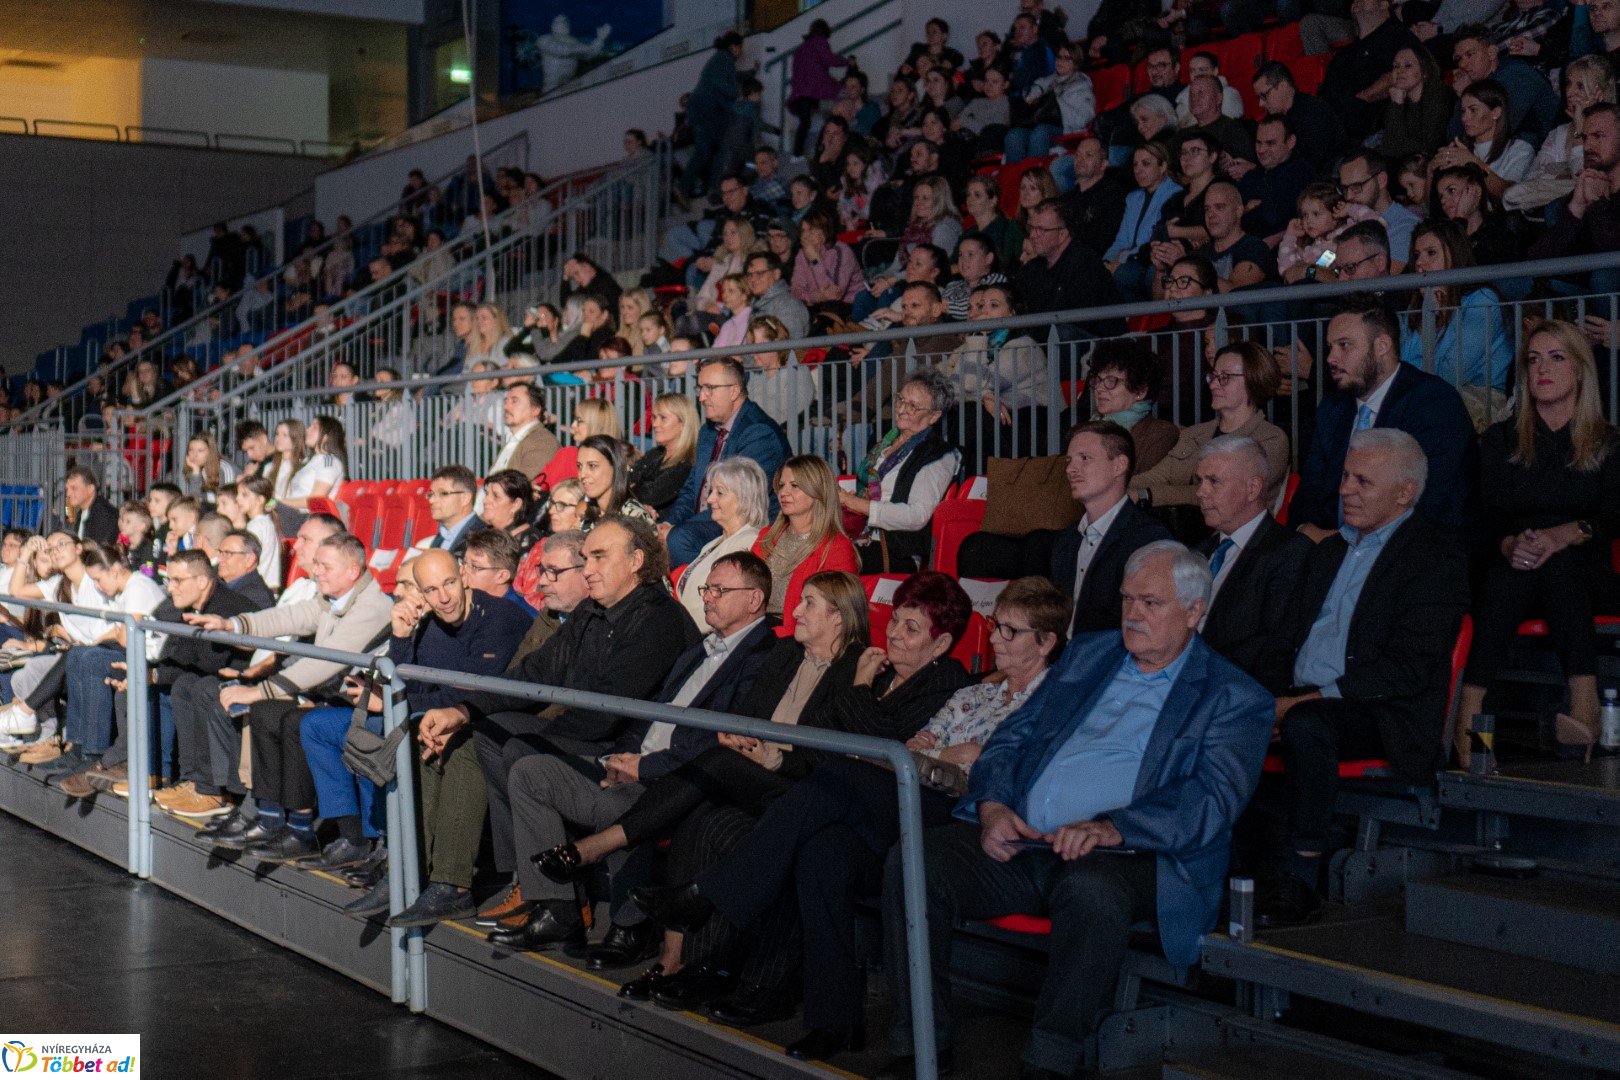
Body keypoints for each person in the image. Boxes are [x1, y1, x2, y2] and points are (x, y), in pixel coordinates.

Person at [868, 543, 1273, 1080]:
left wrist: (1112, 828)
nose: (1132, 614)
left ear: (1195, 611)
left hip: (1128, 853)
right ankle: (920, 1040)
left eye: (1151, 603)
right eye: (1128, 599)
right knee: (916, 861)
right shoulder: (1091, 654)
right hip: (1027, 837)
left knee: (1092, 892)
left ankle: (1051, 1059)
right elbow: (1012, 737)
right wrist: (992, 806)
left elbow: (1211, 801)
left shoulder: (1234, 695)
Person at [628, 572, 975, 1013]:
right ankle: (803, 1007)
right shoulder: (882, 671)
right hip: (839, 809)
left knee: (808, 810)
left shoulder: (946, 683)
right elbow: (850, 736)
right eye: (895, 622)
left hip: (891, 819)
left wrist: (859, 687)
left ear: (941, 645)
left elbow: (881, 744)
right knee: (742, 829)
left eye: (912, 629)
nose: (895, 635)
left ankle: (715, 910)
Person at [417, 517, 701, 936]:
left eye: (599, 557)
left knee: (520, 749)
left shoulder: (658, 620)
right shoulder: (593, 609)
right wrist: (464, 710)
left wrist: (533, 735)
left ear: (637, 561)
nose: (588, 569)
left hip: (629, 751)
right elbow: (536, 671)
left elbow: (606, 713)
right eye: (586, 558)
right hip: (591, 733)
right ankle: (526, 881)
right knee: (489, 733)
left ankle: (555, 896)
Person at [497, 552, 780, 954]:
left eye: (719, 590)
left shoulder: (763, 657)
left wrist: (645, 766)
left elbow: (724, 740)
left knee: (622, 805)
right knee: (530, 771)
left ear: (754, 600)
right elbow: (647, 713)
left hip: (677, 781)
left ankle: (630, 926)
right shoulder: (701, 648)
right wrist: (620, 758)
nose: (708, 598)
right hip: (634, 762)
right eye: (706, 589)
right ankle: (556, 908)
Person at [1261, 430, 1470, 926]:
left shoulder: (1435, 558)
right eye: (1346, 476)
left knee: (1308, 726)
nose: (1345, 489)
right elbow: (1282, 637)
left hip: (1379, 707)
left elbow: (1409, 668)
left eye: (1363, 481)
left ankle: (1300, 877)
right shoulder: (1330, 551)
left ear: (1404, 493)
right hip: (1302, 696)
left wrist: (1303, 702)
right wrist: (1268, 697)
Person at [301, 548, 533, 921]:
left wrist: (421, 709)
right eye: (432, 590)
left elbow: (474, 691)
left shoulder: (500, 618)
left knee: (457, 746)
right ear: (420, 594)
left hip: (499, 720)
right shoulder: (428, 620)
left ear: (464, 576)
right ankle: (405, 872)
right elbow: (409, 683)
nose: (444, 597)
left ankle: (450, 885)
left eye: (450, 584)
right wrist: (401, 637)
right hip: (450, 717)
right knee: (416, 739)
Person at [1456, 322, 1620, 764]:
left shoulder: (1607, 442)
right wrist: (1511, 543)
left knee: (1558, 564)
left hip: (1584, 570)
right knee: (1517, 569)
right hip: (1513, 564)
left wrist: (1564, 534)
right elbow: (1483, 516)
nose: (1542, 368)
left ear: (1581, 371)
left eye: (1556, 357)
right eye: (1533, 359)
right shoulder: (1501, 438)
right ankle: (1579, 711)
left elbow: (1614, 515)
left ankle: (1474, 712)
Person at [162, 532, 393, 825]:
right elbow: (286, 617)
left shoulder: (371, 607)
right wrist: (231, 624)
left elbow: (325, 662)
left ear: (352, 571)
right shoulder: (334, 599)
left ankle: (304, 827)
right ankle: (266, 816)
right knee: (265, 713)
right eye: (317, 564)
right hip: (333, 695)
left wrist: (261, 690)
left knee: (288, 718)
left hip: (356, 702)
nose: (316, 570)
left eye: (325, 566)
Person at [1293, 299, 1476, 539]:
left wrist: (1342, 543)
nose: (1331, 358)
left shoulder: (1433, 403)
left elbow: (1432, 502)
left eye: (1344, 345)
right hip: (1328, 551)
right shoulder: (1333, 407)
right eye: (1331, 347)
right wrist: (1305, 529)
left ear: (1382, 346)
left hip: (1409, 554)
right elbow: (1309, 492)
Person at [1190, 436, 1312, 692]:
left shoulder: (1288, 551)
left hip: (1232, 689)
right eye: (1200, 481)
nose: (1201, 492)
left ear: (1253, 489)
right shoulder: (1198, 552)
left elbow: (1274, 644)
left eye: (1214, 481)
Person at [660, 358, 792, 566]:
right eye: (700, 388)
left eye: (710, 388)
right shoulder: (708, 431)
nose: (702, 397)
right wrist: (669, 522)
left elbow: (737, 503)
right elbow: (691, 490)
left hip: (743, 525)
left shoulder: (758, 432)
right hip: (706, 521)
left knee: (679, 539)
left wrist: (676, 530)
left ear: (734, 391)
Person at [1132, 341, 1288, 508]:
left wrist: (1147, 494)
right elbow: (1159, 476)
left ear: (1254, 380)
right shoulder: (1194, 434)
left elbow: (1223, 493)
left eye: (1224, 378)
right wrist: (1117, 488)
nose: (1213, 385)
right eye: (1213, 376)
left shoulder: (1271, 439)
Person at [837, 370, 961, 575]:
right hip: (863, 537)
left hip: (896, 549)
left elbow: (916, 515)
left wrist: (858, 504)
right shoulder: (885, 441)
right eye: (901, 400)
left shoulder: (938, 454)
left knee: (827, 558)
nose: (902, 409)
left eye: (913, 406)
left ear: (934, 416)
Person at [1399, 219, 1513, 424]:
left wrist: (1432, 320)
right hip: (1429, 399)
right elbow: (1405, 371)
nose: (1419, 263)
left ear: (1454, 254)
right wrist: (1428, 317)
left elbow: (1451, 374)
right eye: (1416, 255)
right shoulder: (1417, 306)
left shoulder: (1483, 300)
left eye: (1431, 253)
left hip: (1483, 398)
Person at [752, 455, 859, 633]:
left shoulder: (837, 548)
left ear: (818, 491)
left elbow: (836, 617)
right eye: (781, 486)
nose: (783, 493)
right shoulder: (768, 535)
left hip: (796, 638)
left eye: (794, 486)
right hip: (754, 628)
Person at [675, 458, 771, 628]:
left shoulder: (749, 541)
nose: (710, 499)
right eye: (711, 491)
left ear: (744, 499)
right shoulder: (714, 543)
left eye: (720, 492)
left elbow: (727, 605)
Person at [1315, 0, 1421, 141]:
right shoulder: (1345, 53)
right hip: (1333, 129)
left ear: (1384, 4)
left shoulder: (1400, 37)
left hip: (1373, 130)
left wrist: (1362, 99)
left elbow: (1404, 75)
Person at [1017, 199, 1122, 339]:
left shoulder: (1085, 264)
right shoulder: (1032, 269)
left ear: (1062, 234)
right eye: (1032, 228)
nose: (1032, 235)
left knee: (1062, 334)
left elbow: (1082, 321)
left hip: (1096, 347)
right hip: (1047, 346)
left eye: (1041, 230)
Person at [1446, 24, 1562, 144]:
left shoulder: (1516, 75)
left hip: (1550, 150)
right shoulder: (1479, 83)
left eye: (1469, 55)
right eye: (1459, 58)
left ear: (1491, 53)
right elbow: (1453, 140)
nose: (1462, 64)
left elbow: (1496, 132)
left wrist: (1468, 93)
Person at [1434, 79, 1536, 201]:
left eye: (1473, 110)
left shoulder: (1519, 149)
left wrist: (1473, 163)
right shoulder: (1460, 151)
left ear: (1496, 113)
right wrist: (1431, 171)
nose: (1464, 118)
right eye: (1463, 111)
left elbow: (1509, 195)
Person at [1105, 143, 1183, 302]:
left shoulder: (1175, 193)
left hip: (1151, 260)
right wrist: (1107, 261)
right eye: (1135, 165)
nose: (1138, 170)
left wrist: (1121, 260)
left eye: (1146, 164)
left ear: (1162, 167)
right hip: (1131, 259)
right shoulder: (1133, 198)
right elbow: (1122, 239)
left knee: (1122, 275)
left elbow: (1154, 238)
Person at [1087, 340, 1180, 473]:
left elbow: (1144, 482)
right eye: (1097, 380)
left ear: (1140, 391)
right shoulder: (1088, 428)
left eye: (1111, 381)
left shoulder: (1161, 434)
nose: (1099, 388)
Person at [1005, 44, 1096, 163]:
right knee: (1014, 136)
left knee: (1040, 132)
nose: (1060, 61)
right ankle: (1014, 177)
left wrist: (1058, 103)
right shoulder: (1048, 81)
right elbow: (1034, 92)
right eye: (1059, 57)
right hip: (1038, 124)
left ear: (1076, 63)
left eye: (1066, 58)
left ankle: (1036, 177)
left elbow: (1082, 119)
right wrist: (1035, 95)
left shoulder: (1081, 86)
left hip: (1066, 130)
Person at [682, 32, 745, 201]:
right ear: (734, 47)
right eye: (741, 48)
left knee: (703, 151)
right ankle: (714, 188)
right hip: (709, 111)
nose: (741, 53)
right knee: (722, 149)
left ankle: (684, 188)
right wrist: (736, 92)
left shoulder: (716, 59)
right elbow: (724, 86)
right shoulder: (725, 59)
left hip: (699, 110)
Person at [1336, 151, 1419, 268]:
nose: (1349, 196)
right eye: (1344, 188)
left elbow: (1390, 281)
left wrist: (1313, 271)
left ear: (1381, 180)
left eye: (1356, 187)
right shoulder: (1347, 219)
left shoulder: (1405, 225)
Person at [1379, 46, 1457, 161]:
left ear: (1424, 71)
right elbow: (1389, 143)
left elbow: (1427, 146)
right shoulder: (1397, 101)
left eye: (1408, 65)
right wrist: (1396, 104)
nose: (1399, 71)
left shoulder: (1440, 95)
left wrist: (1391, 149)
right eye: (1396, 66)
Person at [629, 392, 699, 518]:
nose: (655, 424)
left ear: (683, 424)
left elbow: (650, 496)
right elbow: (627, 481)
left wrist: (634, 489)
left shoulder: (688, 461)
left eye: (663, 418)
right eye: (654, 418)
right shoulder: (656, 453)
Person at [1058, 137, 1127, 253]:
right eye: (1077, 155)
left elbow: (1103, 240)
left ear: (1103, 164)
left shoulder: (1112, 195)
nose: (1080, 160)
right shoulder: (1066, 199)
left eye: (1088, 155)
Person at [791, 209, 863, 314]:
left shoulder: (842, 251)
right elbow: (796, 291)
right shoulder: (802, 254)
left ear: (824, 231)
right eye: (803, 231)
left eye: (811, 230)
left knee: (828, 308)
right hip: (818, 305)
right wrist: (818, 297)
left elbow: (835, 295)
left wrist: (815, 260)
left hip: (851, 306)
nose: (805, 236)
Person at [490, 384, 562, 482]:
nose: (506, 406)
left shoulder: (542, 441)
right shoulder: (514, 440)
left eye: (514, 401)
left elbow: (521, 487)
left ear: (535, 410)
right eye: (505, 401)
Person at [577, 435, 654, 525]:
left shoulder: (634, 517)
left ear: (615, 467)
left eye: (592, 466)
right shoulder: (588, 514)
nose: (582, 475)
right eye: (579, 466)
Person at [280, 416, 347, 514]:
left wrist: (280, 502)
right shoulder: (309, 461)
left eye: (314, 427)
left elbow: (316, 500)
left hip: (307, 517)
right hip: (291, 513)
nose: (307, 430)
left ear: (325, 437)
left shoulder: (329, 462)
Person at [413, 466, 481, 555]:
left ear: (465, 498)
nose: (431, 500)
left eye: (443, 493)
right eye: (431, 494)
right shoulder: (443, 535)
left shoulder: (481, 537)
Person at [743, 252, 810, 341]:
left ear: (776, 274)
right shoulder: (754, 306)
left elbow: (789, 348)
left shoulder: (788, 306)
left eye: (759, 273)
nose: (753, 279)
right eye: (750, 275)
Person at [479, 469, 541, 556]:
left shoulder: (530, 544)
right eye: (487, 494)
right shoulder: (483, 534)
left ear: (516, 504)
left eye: (496, 496)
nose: (485, 500)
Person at [60, 468, 119, 546]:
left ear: (90, 489)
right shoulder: (83, 512)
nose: (68, 494)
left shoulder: (105, 514)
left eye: (74, 488)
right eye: (67, 489)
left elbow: (98, 551)